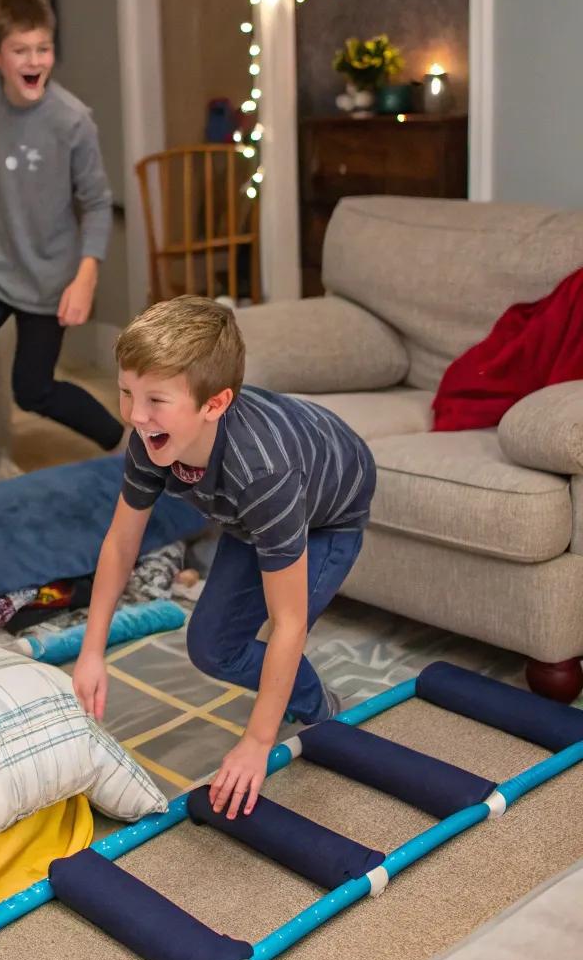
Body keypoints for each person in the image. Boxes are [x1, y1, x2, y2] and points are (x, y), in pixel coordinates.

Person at [72, 294, 377, 821]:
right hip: (246, 515)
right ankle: (301, 691)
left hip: (328, 516)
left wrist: (257, 742)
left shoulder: (263, 475)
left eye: (155, 401)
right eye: (126, 393)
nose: (136, 416)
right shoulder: (150, 438)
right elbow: (121, 543)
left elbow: (288, 623)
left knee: (282, 627)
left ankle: (321, 709)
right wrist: (91, 651)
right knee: (211, 647)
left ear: (213, 404)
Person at [0, 0, 123, 493]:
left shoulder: (73, 120)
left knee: (33, 391)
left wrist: (84, 278)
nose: (35, 61)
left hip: (50, 276)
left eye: (43, 48)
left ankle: (120, 439)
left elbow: (98, 203)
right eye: (21, 50)